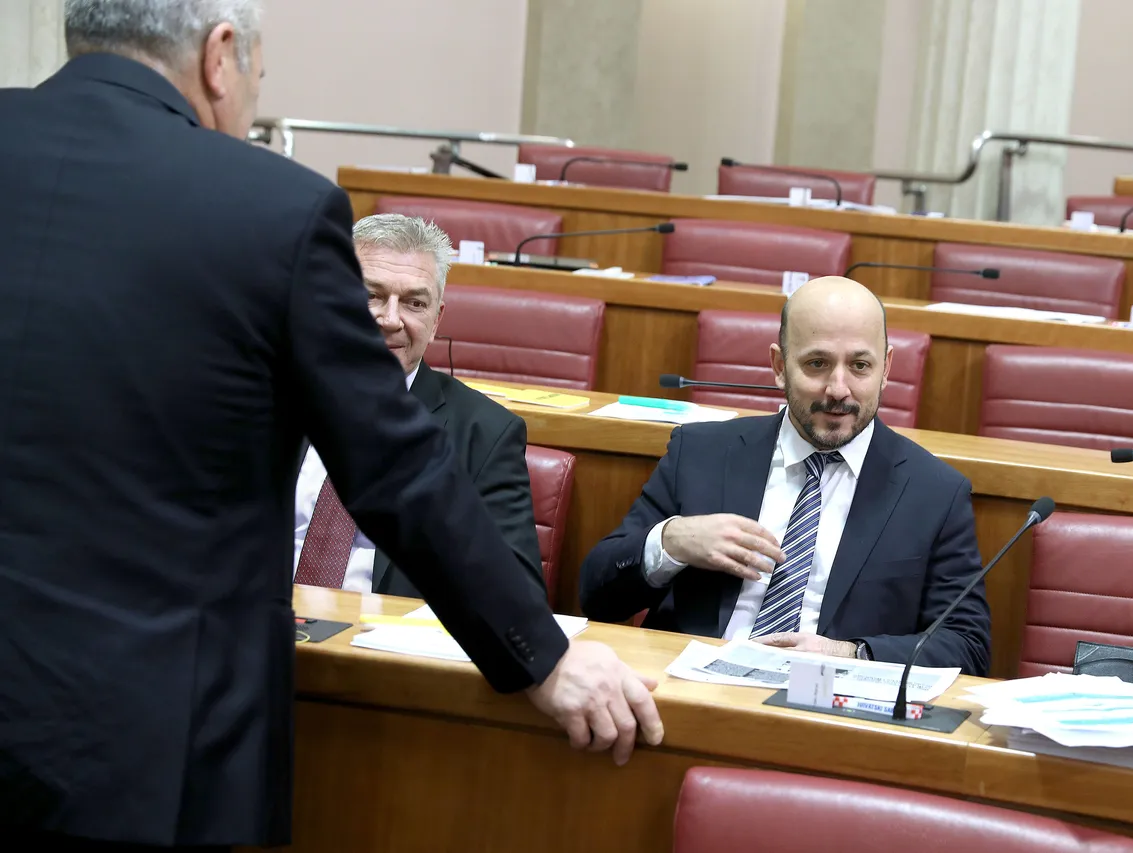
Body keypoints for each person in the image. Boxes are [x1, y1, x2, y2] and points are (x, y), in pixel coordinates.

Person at [0, 2, 660, 850]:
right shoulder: (270, 207)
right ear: (220, 56)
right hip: (146, 739)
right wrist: (543, 653)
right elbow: (394, 467)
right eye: (260, 79)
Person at [579, 276, 991, 675]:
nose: (838, 389)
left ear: (885, 368)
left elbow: (967, 645)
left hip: (827, 706)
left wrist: (851, 654)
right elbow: (597, 595)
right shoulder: (701, 453)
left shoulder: (934, 492)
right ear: (779, 366)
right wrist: (671, 542)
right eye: (817, 363)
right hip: (689, 687)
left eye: (860, 366)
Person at [294, 214, 544, 596]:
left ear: (436, 319)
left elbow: (517, 594)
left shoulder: (485, 436)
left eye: (414, 303)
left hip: (386, 632)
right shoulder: (267, 401)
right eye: (371, 295)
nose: (390, 319)